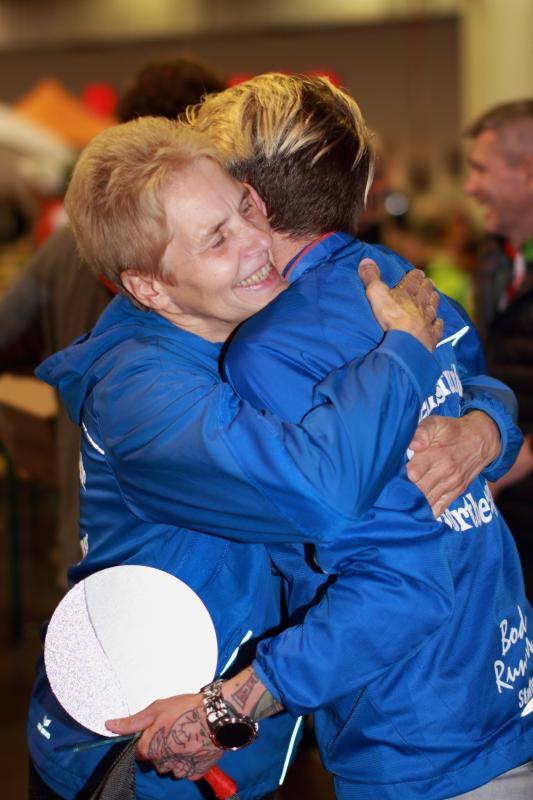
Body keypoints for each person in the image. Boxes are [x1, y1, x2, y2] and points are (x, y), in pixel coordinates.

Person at [110, 75, 532, 799]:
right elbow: (477, 376)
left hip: (417, 724)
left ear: (249, 201)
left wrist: (223, 711)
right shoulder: (390, 275)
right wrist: (489, 424)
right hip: (497, 665)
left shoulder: (271, 348)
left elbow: (398, 583)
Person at [27, 116, 452, 800]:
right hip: (145, 759)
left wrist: (486, 429)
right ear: (149, 288)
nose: (259, 240)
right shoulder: (140, 393)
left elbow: (467, 380)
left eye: (245, 209)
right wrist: (402, 354)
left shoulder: (241, 326)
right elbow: (320, 492)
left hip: (236, 739)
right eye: (217, 239)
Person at [0, 54, 226, 583]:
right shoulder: (224, 250)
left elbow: (7, 336)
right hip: (197, 558)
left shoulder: (65, 245)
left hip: (90, 538)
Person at [464, 99, 533, 596]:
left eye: (481, 169)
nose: (470, 187)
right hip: (508, 519)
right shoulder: (492, 260)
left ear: (527, 173)